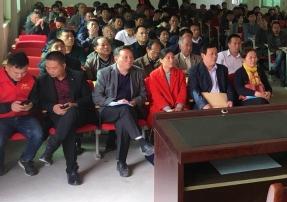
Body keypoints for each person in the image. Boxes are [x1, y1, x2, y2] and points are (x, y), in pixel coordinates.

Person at [31, 51, 95, 185]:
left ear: (64, 66)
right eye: (48, 67)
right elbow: (36, 101)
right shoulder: (42, 80)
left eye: (54, 68)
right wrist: (52, 107)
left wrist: (74, 104)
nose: (50, 71)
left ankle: (51, 147)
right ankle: (71, 170)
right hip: (56, 114)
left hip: (78, 114)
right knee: (68, 129)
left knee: (71, 113)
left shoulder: (78, 76)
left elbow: (89, 98)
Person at [92, 46, 154, 177]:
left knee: (123, 123)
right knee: (124, 110)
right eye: (125, 57)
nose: (129, 60)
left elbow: (143, 95)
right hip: (109, 110)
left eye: (131, 57)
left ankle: (121, 163)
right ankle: (141, 142)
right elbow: (97, 97)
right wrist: (115, 102)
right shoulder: (104, 73)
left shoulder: (138, 72)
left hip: (130, 109)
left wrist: (134, 101)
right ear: (116, 59)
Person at [0, 52, 44, 176]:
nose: (20, 76)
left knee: (38, 134)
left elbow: (37, 100)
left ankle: (26, 159)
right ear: (7, 67)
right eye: (16, 73)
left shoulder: (32, 80)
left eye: (23, 72)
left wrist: (32, 105)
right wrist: (9, 106)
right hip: (2, 119)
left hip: (24, 116)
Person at [146, 48, 188, 127]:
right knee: (162, 120)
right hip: (160, 107)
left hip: (178, 106)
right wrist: (168, 109)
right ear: (161, 60)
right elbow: (156, 96)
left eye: (173, 57)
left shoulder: (180, 73)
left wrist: (179, 106)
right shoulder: (153, 75)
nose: (171, 60)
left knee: (186, 119)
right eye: (168, 58)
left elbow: (183, 91)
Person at [188, 42, 235, 110]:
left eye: (216, 54)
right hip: (205, 103)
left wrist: (230, 100)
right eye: (211, 54)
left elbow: (228, 87)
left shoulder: (223, 69)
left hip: (222, 101)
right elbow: (194, 90)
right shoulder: (194, 71)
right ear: (203, 55)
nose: (215, 56)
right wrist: (203, 104)